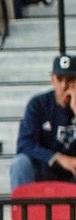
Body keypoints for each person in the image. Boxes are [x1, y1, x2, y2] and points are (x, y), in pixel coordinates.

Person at [9, 55, 76, 191]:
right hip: (46, 169)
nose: (64, 85)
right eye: (60, 79)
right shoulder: (39, 104)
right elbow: (24, 144)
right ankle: (22, 211)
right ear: (52, 80)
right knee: (20, 164)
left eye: (70, 80)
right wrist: (57, 158)